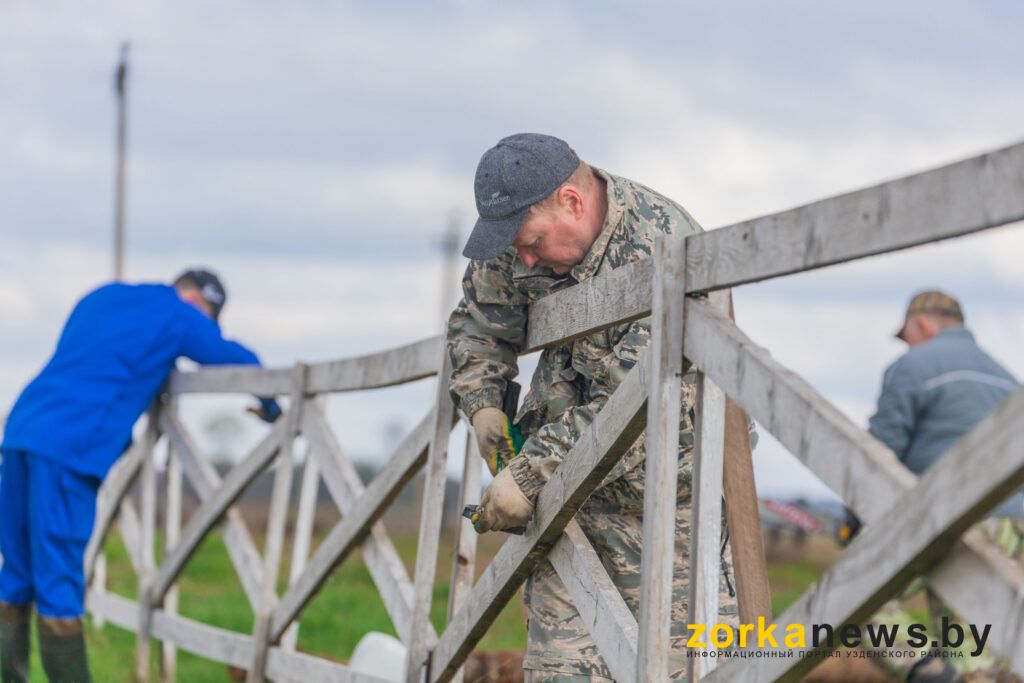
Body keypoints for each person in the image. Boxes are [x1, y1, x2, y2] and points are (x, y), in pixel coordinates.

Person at [446, 133, 740, 681]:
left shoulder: (664, 244)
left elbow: (638, 408)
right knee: (564, 673)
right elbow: (478, 323)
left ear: (572, 203)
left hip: (674, 510)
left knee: (693, 672)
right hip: (570, 510)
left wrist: (528, 476)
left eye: (530, 241)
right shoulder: (521, 242)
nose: (525, 257)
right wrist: (485, 405)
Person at [0, 268, 281, 683]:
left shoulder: (105, 295)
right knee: (58, 579)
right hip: (69, 446)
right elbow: (237, 359)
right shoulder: (180, 317)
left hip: (21, 430)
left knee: (17, 573)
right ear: (201, 304)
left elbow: (92, 364)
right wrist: (271, 406)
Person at [863, 290, 1021, 683]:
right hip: (1015, 526)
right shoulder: (1005, 376)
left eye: (907, 335)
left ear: (922, 324)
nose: (908, 344)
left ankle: (931, 674)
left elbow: (879, 452)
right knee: (998, 648)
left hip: (958, 521)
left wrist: (857, 518)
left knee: (856, 600)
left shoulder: (913, 365)